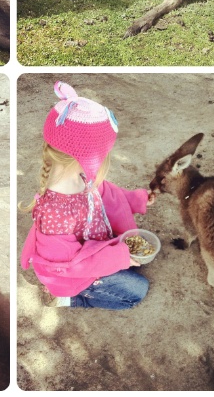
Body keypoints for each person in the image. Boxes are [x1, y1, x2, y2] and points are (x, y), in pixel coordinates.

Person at [20, 81, 154, 309]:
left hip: (93, 249)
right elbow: (71, 265)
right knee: (135, 292)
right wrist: (118, 259)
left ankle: (113, 264)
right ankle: (68, 298)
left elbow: (107, 194)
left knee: (135, 259)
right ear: (88, 159)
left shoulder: (81, 176)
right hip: (71, 274)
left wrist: (136, 199)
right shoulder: (55, 214)